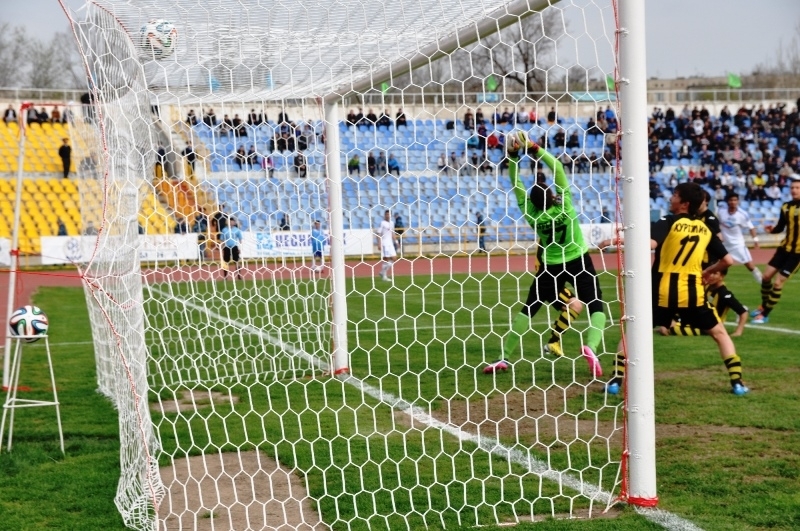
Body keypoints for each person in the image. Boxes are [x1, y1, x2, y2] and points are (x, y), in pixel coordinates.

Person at [605, 182, 748, 396]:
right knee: (719, 333)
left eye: (675, 195)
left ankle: (616, 380)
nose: (671, 198)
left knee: (632, 333)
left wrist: (617, 240)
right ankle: (737, 383)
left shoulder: (669, 221)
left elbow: (649, 244)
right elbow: (728, 260)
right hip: (692, 294)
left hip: (661, 293)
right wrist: (709, 271)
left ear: (684, 203)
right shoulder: (705, 229)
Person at [497, 131, 605, 378]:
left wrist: (513, 157)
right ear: (551, 194)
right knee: (595, 304)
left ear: (533, 203)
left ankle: (504, 356)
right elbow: (556, 167)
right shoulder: (564, 205)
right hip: (578, 259)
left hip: (551, 266)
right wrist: (534, 148)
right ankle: (591, 345)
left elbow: (516, 185)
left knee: (529, 308)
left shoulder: (532, 215)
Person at [751, 179, 800, 324]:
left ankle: (765, 314)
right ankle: (763, 306)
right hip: (784, 249)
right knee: (766, 277)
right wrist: (772, 230)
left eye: (797, 187)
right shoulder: (786, 206)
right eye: (792, 187)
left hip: (797, 254)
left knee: (778, 283)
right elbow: (781, 227)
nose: (794, 190)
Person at [659, 266, 748, 338]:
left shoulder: (725, 294)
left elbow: (743, 312)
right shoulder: (707, 287)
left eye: (715, 274)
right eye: (710, 273)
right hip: (698, 320)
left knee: (670, 329)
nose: (711, 276)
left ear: (722, 276)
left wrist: (738, 332)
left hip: (709, 326)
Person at [716, 192, 762, 282]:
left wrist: (756, 240)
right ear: (727, 201)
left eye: (735, 200)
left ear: (738, 201)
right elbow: (715, 223)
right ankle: (716, 287)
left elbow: (751, 227)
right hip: (723, 244)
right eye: (731, 200)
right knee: (717, 266)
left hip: (737, 245)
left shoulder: (742, 214)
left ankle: (764, 284)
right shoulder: (721, 211)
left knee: (750, 266)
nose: (733, 202)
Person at [376, 210, 397, 281]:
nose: (388, 216)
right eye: (386, 214)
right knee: (386, 259)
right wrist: (379, 244)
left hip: (390, 243)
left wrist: (396, 241)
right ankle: (384, 276)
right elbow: (378, 233)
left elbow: (393, 233)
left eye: (389, 214)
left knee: (394, 258)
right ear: (384, 215)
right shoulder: (382, 223)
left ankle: (382, 272)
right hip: (384, 243)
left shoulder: (392, 223)